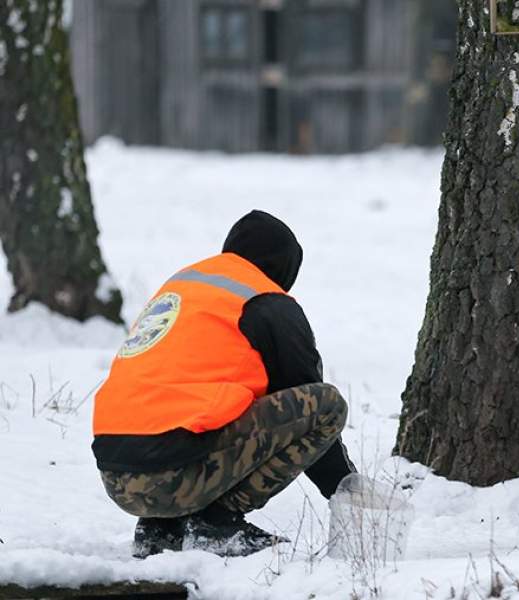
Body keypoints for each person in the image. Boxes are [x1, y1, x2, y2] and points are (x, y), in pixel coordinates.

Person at [91, 210, 355, 558]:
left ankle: (161, 526)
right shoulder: (267, 303)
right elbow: (304, 403)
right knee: (326, 406)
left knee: (215, 406)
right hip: (171, 475)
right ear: (284, 268)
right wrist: (346, 489)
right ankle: (216, 524)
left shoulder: (184, 288)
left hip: (116, 475)